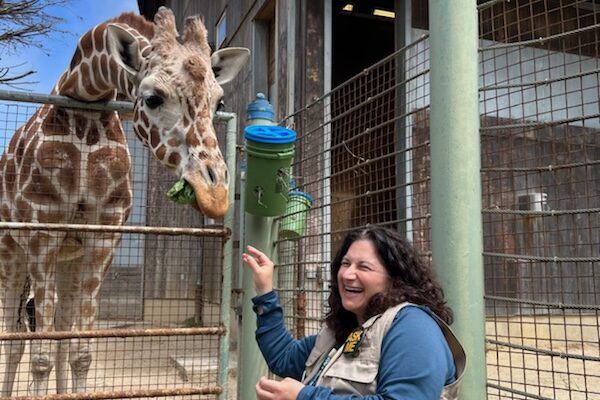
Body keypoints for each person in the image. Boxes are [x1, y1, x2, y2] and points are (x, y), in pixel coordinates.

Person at [242, 226, 466, 400]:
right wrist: (265, 291)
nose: (348, 274)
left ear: (395, 279)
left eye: (364, 267)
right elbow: (283, 357)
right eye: (345, 263)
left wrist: (303, 396)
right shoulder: (345, 330)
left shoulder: (413, 326)